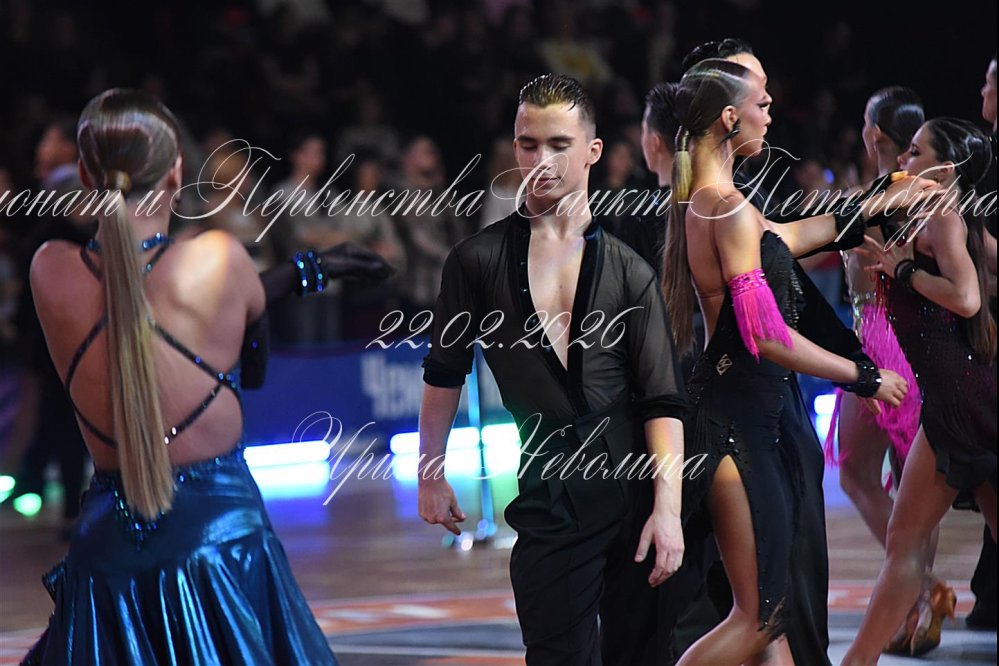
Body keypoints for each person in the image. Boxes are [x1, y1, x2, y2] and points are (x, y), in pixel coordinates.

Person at [22, 89, 389, 665]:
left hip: (106, 543)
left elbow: (140, 304)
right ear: (175, 172)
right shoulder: (219, 257)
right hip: (215, 538)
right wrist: (306, 271)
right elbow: (248, 352)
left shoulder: (49, 269)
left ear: (86, 175)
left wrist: (297, 272)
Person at [661, 59, 929, 665]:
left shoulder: (718, 204)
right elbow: (768, 337)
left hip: (739, 417)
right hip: (737, 427)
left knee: (770, 617)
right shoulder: (725, 209)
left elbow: (790, 237)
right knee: (758, 618)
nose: (770, 111)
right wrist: (862, 375)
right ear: (729, 118)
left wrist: (877, 202)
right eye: (760, 103)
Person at [417, 73, 687, 665]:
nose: (542, 160)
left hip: (634, 496)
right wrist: (430, 472)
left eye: (559, 144)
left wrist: (668, 511)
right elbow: (444, 371)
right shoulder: (475, 261)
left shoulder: (630, 269)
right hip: (548, 498)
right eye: (528, 143)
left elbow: (663, 400)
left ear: (592, 151)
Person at [843, 117, 997, 665]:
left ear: (945, 169)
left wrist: (906, 273)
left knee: (903, 542)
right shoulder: (940, 218)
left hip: (966, 402)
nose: (904, 161)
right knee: (903, 542)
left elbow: (968, 298)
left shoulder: (944, 220)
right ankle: (858, 660)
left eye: (914, 152)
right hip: (953, 402)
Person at [825, 87, 951, 655]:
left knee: (855, 471)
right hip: (923, 344)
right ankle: (917, 610)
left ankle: (923, 588)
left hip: (880, 342)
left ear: (873, 133)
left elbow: (858, 283)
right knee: (913, 488)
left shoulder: (875, 197)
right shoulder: (924, 193)